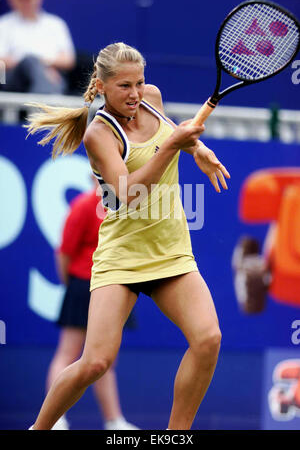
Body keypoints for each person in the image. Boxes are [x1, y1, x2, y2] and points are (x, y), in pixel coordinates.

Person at [26, 42, 230, 430]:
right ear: (101, 86)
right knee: (95, 362)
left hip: (171, 251)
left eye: (139, 82)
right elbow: (129, 192)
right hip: (120, 258)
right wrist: (173, 145)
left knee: (208, 339)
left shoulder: (151, 99)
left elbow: (175, 135)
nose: (135, 93)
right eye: (124, 86)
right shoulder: (98, 134)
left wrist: (196, 148)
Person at [47, 179, 139, 430]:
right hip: (83, 285)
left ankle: (114, 421)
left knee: (105, 359)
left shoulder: (127, 207)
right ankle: (55, 421)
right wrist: (74, 286)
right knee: (68, 352)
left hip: (116, 285)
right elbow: (65, 252)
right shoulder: (83, 205)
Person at [0, 0, 75, 94]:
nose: (26, 3)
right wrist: (38, 66)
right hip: (13, 81)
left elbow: (68, 60)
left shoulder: (55, 24)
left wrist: (42, 66)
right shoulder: (3, 24)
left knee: (38, 69)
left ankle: (40, 103)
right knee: (31, 62)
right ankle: (42, 106)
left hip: (53, 78)